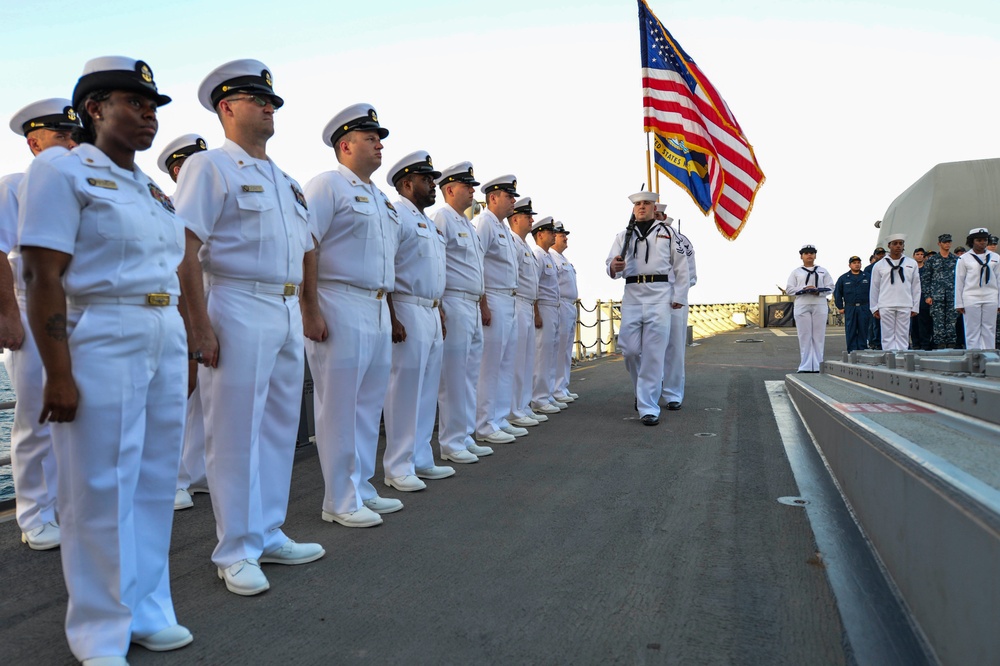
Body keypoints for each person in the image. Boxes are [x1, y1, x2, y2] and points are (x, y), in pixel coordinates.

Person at [19, 56, 192, 664]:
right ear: (95, 109)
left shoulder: (150, 188)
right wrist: (57, 373)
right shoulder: (64, 172)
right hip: (105, 329)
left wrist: (187, 342)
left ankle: (147, 609)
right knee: (98, 485)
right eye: (134, 103)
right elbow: (43, 274)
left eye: (152, 107)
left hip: (161, 329)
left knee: (151, 481)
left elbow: (175, 266)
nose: (148, 116)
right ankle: (98, 630)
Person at [175, 59, 325, 596]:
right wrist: (198, 325)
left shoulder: (284, 181)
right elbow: (184, 251)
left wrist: (307, 307)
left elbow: (308, 248)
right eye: (258, 99)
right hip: (236, 304)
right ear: (227, 107)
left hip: (283, 311)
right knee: (235, 432)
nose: (269, 106)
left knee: (279, 427)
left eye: (273, 101)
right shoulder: (209, 168)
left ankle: (266, 530)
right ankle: (234, 549)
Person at [303, 103, 405, 527]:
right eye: (369, 138)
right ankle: (338, 499)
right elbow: (306, 244)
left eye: (378, 138)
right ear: (345, 145)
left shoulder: (380, 199)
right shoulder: (327, 186)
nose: (379, 144)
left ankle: (361, 486)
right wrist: (309, 307)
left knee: (367, 405)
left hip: (376, 304)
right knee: (339, 405)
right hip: (338, 301)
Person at [2, 98, 80, 550]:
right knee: (35, 415)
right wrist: (8, 317)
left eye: (74, 136)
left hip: (80, 309)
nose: (71, 143)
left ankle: (65, 506)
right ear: (34, 143)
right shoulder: (16, 185)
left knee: (76, 412)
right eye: (60, 136)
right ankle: (34, 513)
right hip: (31, 308)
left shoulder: (83, 189)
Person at [381, 150, 455, 493]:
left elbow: (432, 272)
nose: (433, 186)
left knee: (426, 390)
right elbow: (389, 266)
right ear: (407, 184)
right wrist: (392, 315)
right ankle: (398, 465)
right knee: (404, 390)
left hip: (429, 308)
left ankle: (421, 457)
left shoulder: (426, 222)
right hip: (407, 307)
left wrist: (438, 309)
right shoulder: (398, 215)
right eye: (427, 180)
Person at [155, 133, 211, 512]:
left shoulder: (214, 206)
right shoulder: (166, 211)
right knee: (179, 395)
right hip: (180, 313)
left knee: (209, 400)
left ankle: (197, 472)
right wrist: (189, 327)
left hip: (217, 309)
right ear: (178, 170)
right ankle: (172, 479)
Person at [606, 191, 690, 425]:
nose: (642, 207)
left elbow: (682, 267)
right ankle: (643, 390)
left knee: (654, 353)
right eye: (638, 204)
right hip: (632, 294)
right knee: (630, 350)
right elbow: (610, 266)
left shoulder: (668, 233)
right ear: (633, 209)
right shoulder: (624, 235)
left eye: (646, 204)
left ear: (655, 208)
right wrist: (614, 266)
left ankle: (648, 407)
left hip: (660, 295)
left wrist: (679, 296)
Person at [432, 163, 494, 464]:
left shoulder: (468, 224)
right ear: (449, 189)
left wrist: (482, 302)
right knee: (453, 378)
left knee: (469, 376)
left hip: (471, 303)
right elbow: (437, 263)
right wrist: (440, 305)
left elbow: (476, 269)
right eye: (466, 185)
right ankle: (451, 442)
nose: (472, 189)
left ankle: (465, 435)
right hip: (454, 302)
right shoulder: (442, 218)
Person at [473, 175, 522, 444]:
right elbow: (476, 262)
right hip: (493, 298)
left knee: (505, 363)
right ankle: (484, 423)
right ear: (493, 198)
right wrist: (483, 302)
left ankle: (499, 418)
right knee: (489, 367)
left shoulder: (503, 228)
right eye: (508, 195)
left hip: (509, 299)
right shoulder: (485, 223)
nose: (513, 200)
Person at [507, 196, 544, 428]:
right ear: (515, 218)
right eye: (528, 216)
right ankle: (513, 410)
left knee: (526, 360)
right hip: (517, 302)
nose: (532, 220)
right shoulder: (511, 241)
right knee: (516, 361)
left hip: (528, 304)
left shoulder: (524, 246)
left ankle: (522, 406)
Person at [655, 204, 695, 410]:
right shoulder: (642, 239)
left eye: (658, 215)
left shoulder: (681, 241)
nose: (656, 218)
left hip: (675, 297)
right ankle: (651, 389)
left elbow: (690, 274)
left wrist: (679, 293)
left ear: (665, 216)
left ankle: (673, 393)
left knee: (675, 346)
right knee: (650, 347)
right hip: (652, 297)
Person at [530, 216, 564, 415]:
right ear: (540, 234)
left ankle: (547, 394)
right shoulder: (538, 255)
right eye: (550, 232)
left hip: (554, 307)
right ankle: (539, 398)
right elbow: (534, 285)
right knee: (542, 355)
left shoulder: (548, 255)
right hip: (543, 307)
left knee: (550, 353)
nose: (554, 235)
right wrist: (536, 313)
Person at [786, 244, 834, 371]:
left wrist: (818, 291)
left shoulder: (822, 271)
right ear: (801, 256)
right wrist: (804, 289)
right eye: (806, 253)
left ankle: (818, 365)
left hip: (819, 303)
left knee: (818, 336)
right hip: (802, 304)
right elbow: (789, 289)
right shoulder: (796, 272)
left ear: (815, 255)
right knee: (804, 335)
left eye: (812, 253)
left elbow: (831, 287)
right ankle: (805, 365)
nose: (809, 255)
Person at [869, 234, 920, 351]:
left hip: (905, 303)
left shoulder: (911, 263)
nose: (898, 246)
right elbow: (874, 288)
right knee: (887, 336)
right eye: (895, 243)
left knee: (903, 335)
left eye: (900, 243)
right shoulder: (879, 265)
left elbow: (916, 286)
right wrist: (874, 307)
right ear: (889, 246)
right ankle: (890, 359)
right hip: (886, 304)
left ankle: (902, 360)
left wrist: (915, 306)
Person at [955, 227, 1000, 349]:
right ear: (972, 241)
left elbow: (999, 280)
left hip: (991, 296)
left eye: (985, 240)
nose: (983, 243)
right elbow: (959, 281)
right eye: (979, 240)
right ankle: (974, 356)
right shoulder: (964, 258)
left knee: (989, 328)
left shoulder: (995, 257)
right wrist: (959, 303)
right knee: (972, 329)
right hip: (971, 297)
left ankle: (989, 355)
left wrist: (999, 302)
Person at [551, 221, 580, 403]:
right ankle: (555, 389)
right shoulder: (551, 258)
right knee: (558, 349)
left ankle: (562, 386)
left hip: (570, 305)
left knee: (566, 349)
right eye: (562, 235)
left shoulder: (563, 259)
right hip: (559, 305)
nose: (565, 238)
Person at [923, 233, 959, 348]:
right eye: (945, 242)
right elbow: (926, 279)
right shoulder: (932, 260)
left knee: (952, 320)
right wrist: (927, 295)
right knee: (938, 321)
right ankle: (940, 344)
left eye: (949, 242)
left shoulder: (956, 260)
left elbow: (960, 278)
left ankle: (951, 343)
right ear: (939, 244)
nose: (947, 244)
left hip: (952, 295)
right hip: (936, 296)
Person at [832, 255, 871, 352]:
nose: (857, 265)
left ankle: (862, 350)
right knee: (851, 330)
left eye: (858, 263)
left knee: (863, 329)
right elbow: (837, 293)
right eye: (854, 263)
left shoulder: (867, 277)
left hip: (864, 307)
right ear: (849, 265)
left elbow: (874, 292)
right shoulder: (843, 278)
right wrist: (840, 307)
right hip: (850, 307)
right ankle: (852, 351)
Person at [910, 248, 934, 351]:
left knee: (924, 322)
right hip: (912, 298)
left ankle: (925, 343)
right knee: (914, 322)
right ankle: (915, 343)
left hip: (924, 298)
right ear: (914, 256)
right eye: (917, 254)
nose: (919, 256)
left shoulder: (927, 269)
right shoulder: (910, 269)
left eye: (921, 254)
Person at [863, 246, 886, 348]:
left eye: (882, 254)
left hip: (886, 296)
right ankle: (876, 343)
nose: (881, 256)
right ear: (875, 255)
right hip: (875, 297)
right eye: (879, 254)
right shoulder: (869, 269)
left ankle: (885, 342)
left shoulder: (888, 265)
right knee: (875, 322)